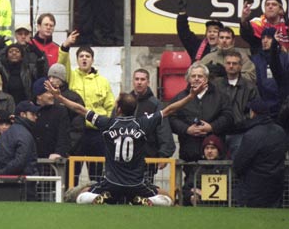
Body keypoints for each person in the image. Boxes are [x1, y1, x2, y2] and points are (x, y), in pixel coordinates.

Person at [47, 77, 207, 206]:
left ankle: (101, 198)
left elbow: (80, 109)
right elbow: (170, 109)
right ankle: (147, 201)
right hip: (136, 183)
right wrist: (191, 96)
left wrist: (59, 97)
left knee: (81, 196)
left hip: (110, 182)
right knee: (168, 198)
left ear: (118, 109)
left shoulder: (107, 123)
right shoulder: (143, 123)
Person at [59, 31, 115, 180]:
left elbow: (110, 106)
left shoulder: (102, 81)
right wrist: (65, 46)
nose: (84, 59)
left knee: (96, 172)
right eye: (81, 56)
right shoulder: (71, 76)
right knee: (72, 171)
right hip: (76, 132)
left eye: (87, 56)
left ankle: (96, 198)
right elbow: (62, 63)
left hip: (96, 132)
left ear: (92, 60)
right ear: (77, 60)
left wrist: (106, 125)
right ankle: (69, 198)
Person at [169, 62, 233, 167]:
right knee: (191, 183)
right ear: (189, 79)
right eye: (193, 76)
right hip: (189, 154)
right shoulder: (179, 98)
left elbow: (228, 117)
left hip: (215, 156)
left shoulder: (221, 97)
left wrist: (212, 127)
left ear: (206, 79)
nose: (196, 79)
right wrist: (186, 129)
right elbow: (171, 119)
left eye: (200, 76)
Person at [233, 98, 287, 208]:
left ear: (253, 113)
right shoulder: (280, 131)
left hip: (254, 187)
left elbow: (239, 163)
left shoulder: (251, 135)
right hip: (276, 185)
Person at [0, 101, 39, 200]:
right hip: (24, 183)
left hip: (6, 184)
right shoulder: (24, 134)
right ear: (23, 114)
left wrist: (0, 173)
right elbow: (20, 161)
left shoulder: (5, 135)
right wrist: (2, 173)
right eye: (32, 114)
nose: (35, 117)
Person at [215, 50, 258, 156]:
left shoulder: (250, 87)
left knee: (238, 164)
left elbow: (256, 111)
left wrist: (245, 121)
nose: (231, 66)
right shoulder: (215, 85)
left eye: (234, 63)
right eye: (228, 63)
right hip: (218, 132)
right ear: (224, 65)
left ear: (240, 66)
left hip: (241, 132)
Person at [251, 27, 289, 118]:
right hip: (261, 107)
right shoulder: (254, 59)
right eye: (263, 38)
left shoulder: (285, 58)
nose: (265, 40)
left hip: (281, 106)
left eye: (269, 38)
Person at [182, 135, 228, 206]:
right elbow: (186, 188)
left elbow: (229, 191)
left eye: (213, 148)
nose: (209, 151)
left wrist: (202, 193)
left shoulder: (226, 168)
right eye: (207, 148)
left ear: (219, 151)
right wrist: (191, 196)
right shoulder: (197, 168)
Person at [31, 77, 69, 159]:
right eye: (48, 93)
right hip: (33, 160)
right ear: (39, 96)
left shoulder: (60, 111)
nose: (52, 95)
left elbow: (63, 135)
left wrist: (59, 153)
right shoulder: (30, 110)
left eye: (52, 92)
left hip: (53, 161)